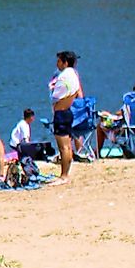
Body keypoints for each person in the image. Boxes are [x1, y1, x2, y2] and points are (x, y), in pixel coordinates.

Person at [49, 49, 84, 178]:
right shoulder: (74, 74)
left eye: (59, 61)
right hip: (68, 111)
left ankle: (64, 175)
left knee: (63, 147)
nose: (57, 64)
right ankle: (66, 173)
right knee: (68, 147)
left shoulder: (64, 76)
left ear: (65, 63)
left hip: (61, 113)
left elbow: (55, 97)